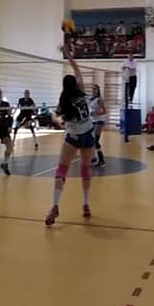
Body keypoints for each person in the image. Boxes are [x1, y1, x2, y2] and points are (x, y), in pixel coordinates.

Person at [45, 36, 95, 226]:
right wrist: (67, 53)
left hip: (73, 136)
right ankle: (85, 203)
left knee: (62, 169)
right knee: (85, 168)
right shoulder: (81, 90)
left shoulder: (63, 101)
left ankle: (55, 205)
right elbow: (76, 68)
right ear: (74, 84)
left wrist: (57, 120)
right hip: (88, 134)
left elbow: (57, 118)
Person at [89, 84, 107, 167]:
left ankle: (102, 160)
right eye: (92, 89)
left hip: (99, 120)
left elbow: (104, 111)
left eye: (95, 89)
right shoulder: (91, 99)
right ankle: (93, 158)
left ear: (98, 90)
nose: (93, 90)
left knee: (95, 140)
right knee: (91, 140)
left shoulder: (99, 99)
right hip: (93, 121)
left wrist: (95, 113)